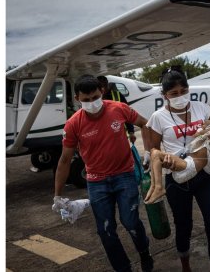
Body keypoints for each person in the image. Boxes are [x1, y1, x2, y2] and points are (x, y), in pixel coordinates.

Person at [53, 75, 154, 272]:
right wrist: (57, 195)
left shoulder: (118, 108)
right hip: (97, 182)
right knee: (105, 230)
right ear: (77, 99)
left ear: (102, 92)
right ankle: (123, 268)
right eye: (86, 100)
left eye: (95, 97)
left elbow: (145, 123)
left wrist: (149, 152)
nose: (92, 103)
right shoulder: (73, 124)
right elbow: (64, 160)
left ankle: (144, 252)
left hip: (124, 175)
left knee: (130, 221)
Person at [146, 67, 210, 272]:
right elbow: (153, 147)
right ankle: (185, 267)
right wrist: (163, 160)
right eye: (174, 94)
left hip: (205, 175)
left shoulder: (202, 108)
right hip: (177, 179)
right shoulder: (158, 117)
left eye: (183, 91)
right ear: (165, 96)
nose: (180, 96)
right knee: (183, 227)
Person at [97, 75, 137, 144]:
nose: (103, 89)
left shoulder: (117, 95)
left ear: (107, 85)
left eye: (105, 86)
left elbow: (127, 114)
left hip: (119, 133)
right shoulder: (94, 99)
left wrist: (131, 132)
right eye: (101, 87)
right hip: (103, 136)